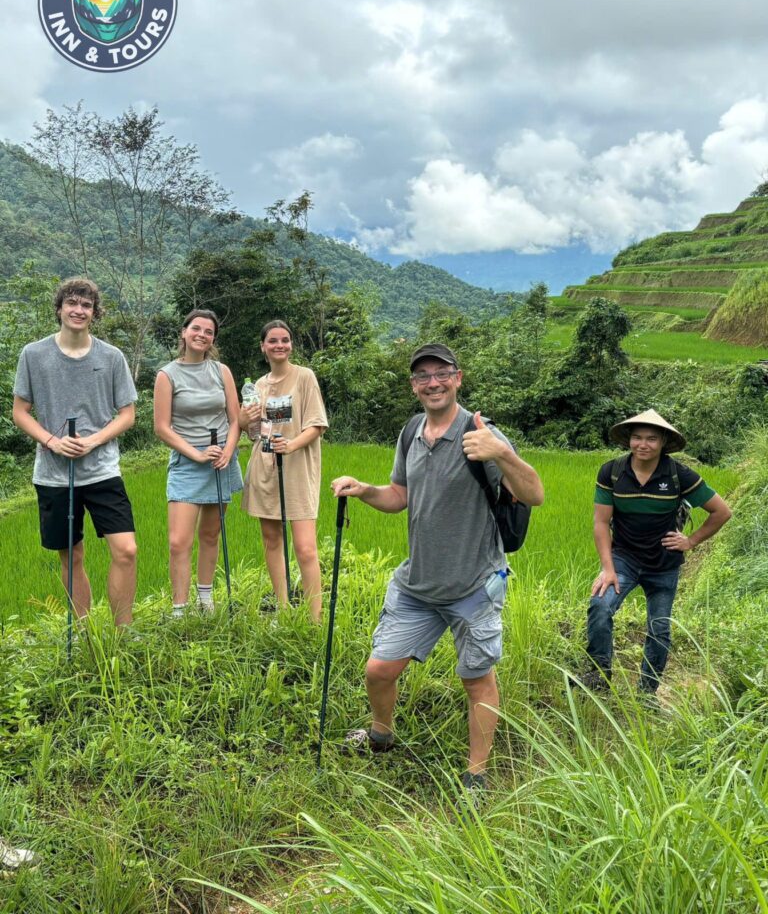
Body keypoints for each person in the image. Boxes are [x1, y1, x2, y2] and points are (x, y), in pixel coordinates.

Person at [332, 343, 544, 795]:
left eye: (441, 373)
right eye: (423, 376)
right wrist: (364, 489)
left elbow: (534, 494)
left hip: (473, 585)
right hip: (418, 584)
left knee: (476, 679)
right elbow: (399, 495)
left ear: (458, 378)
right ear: (414, 386)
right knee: (379, 670)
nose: (433, 382)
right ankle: (381, 735)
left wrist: (501, 454)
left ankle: (477, 773)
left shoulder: (482, 433)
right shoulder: (410, 433)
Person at [12, 278, 137, 627]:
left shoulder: (112, 357)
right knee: (71, 555)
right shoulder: (34, 355)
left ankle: (122, 630)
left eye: (86, 305)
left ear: (95, 313)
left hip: (102, 469)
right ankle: (83, 631)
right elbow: (20, 410)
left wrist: (94, 440)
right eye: (72, 303)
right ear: (59, 308)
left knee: (126, 550)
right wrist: (52, 441)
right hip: (53, 473)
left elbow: (127, 414)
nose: (78, 310)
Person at [581, 408, 731, 696]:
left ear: (663, 441)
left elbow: (721, 511)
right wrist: (608, 568)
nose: (643, 445)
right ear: (628, 440)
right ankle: (599, 676)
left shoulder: (678, 475)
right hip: (623, 559)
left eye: (651, 438)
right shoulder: (612, 472)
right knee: (600, 607)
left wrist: (691, 541)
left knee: (660, 629)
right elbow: (600, 522)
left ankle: (647, 693)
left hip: (664, 565)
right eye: (637, 437)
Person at [153, 309, 243, 616]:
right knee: (179, 541)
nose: (202, 335)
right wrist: (196, 453)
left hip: (221, 460)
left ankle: (206, 600)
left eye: (208, 332)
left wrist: (228, 451)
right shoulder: (167, 375)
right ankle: (180, 607)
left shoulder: (222, 371)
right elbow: (162, 427)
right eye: (196, 329)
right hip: (188, 462)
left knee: (210, 534)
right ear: (184, 332)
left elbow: (235, 419)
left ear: (213, 339)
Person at [240, 320, 328, 622]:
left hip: (298, 468)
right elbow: (253, 432)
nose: (280, 345)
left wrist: (291, 446)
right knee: (272, 540)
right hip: (265, 467)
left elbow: (316, 425)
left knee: (305, 547)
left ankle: (315, 617)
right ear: (263, 346)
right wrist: (243, 418)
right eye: (273, 341)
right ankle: (282, 608)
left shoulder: (304, 377)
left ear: (291, 345)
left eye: (285, 340)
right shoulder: (258, 386)